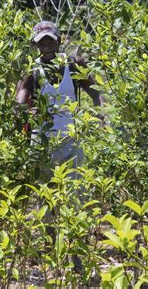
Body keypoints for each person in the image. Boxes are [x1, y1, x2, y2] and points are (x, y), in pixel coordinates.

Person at [15, 21, 104, 181]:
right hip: (42, 140)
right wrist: (28, 113)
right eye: (41, 43)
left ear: (59, 41)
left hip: (71, 140)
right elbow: (19, 102)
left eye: (50, 42)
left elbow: (96, 94)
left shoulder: (74, 64)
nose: (46, 47)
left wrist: (100, 117)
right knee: (45, 195)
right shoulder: (32, 70)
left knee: (75, 196)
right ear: (35, 45)